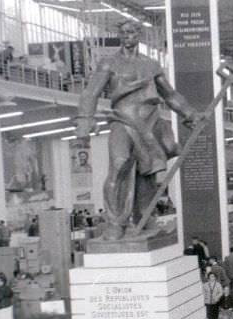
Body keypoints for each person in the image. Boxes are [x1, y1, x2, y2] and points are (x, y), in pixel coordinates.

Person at [76, 20, 200, 239]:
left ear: (139, 34)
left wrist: (189, 113)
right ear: (119, 35)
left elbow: (169, 94)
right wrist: (85, 119)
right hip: (123, 119)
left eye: (132, 31)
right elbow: (91, 92)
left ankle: (145, 216)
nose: (128, 36)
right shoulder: (109, 62)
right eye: (123, 32)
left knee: (148, 173)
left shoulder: (151, 65)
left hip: (150, 121)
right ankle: (115, 222)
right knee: (119, 163)